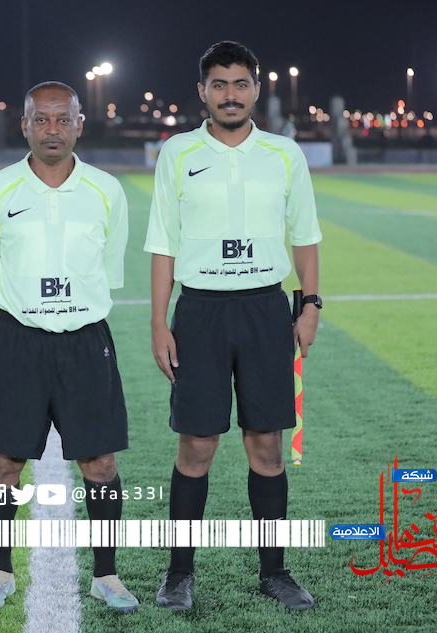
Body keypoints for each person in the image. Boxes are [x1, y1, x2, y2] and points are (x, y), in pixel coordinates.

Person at [144, 40, 322, 611]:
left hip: (266, 311)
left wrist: (311, 305)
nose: (230, 94)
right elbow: (163, 243)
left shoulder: (284, 154)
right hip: (200, 311)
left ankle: (275, 572)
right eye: (219, 84)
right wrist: (159, 322)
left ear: (255, 89)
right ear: (203, 92)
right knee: (196, 445)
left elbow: (305, 235)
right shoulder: (177, 152)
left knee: (266, 446)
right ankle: (178, 573)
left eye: (240, 83)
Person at [0, 81, 136, 611]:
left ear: (80, 124)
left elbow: (107, 271)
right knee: (4, 463)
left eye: (63, 119)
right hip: (17, 340)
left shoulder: (106, 190)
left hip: (85, 341)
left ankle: (106, 575)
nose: (52, 129)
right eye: (41, 119)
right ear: (25, 125)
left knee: (100, 463)